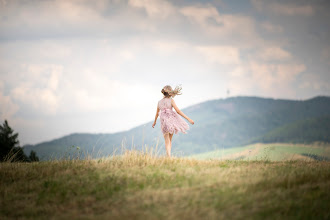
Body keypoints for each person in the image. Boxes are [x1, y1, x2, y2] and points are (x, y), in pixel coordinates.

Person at [152, 85, 194, 157]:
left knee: (166, 140)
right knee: (169, 140)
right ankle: (168, 156)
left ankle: (168, 155)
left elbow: (157, 114)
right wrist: (188, 119)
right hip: (171, 121)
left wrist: (155, 122)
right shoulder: (171, 100)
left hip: (163, 121)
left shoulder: (159, 102)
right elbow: (178, 111)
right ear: (170, 93)